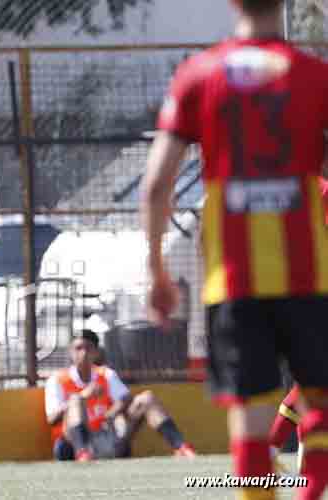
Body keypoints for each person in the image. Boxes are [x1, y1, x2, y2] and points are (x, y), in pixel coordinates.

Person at [141, 1, 328, 498]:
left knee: (250, 432)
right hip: (308, 278)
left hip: (235, 281)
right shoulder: (314, 76)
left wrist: (157, 269)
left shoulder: (198, 75)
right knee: (322, 408)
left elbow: (157, 186)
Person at [45, 330, 195, 462]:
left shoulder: (105, 374)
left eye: (88, 348)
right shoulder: (58, 380)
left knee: (146, 399)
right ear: (71, 352)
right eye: (78, 348)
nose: (83, 353)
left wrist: (112, 413)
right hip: (74, 443)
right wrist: (84, 396)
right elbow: (52, 419)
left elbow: (125, 398)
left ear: (96, 352)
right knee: (75, 400)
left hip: (108, 434)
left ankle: (181, 447)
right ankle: (83, 454)